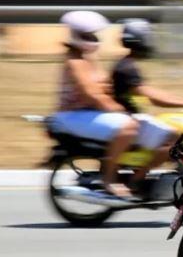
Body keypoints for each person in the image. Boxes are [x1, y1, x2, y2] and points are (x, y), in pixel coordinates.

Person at [51, 11, 139, 198]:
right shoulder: (75, 61)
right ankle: (108, 178)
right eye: (87, 36)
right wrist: (115, 108)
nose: (92, 39)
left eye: (93, 35)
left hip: (88, 113)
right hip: (72, 115)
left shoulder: (88, 59)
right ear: (76, 36)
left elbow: (103, 87)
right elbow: (91, 93)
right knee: (128, 127)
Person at [111, 18, 183, 195]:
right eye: (148, 38)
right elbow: (154, 98)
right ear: (140, 41)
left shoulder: (127, 64)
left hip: (131, 118)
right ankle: (137, 179)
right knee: (176, 139)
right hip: (130, 120)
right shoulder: (127, 68)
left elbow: (153, 92)